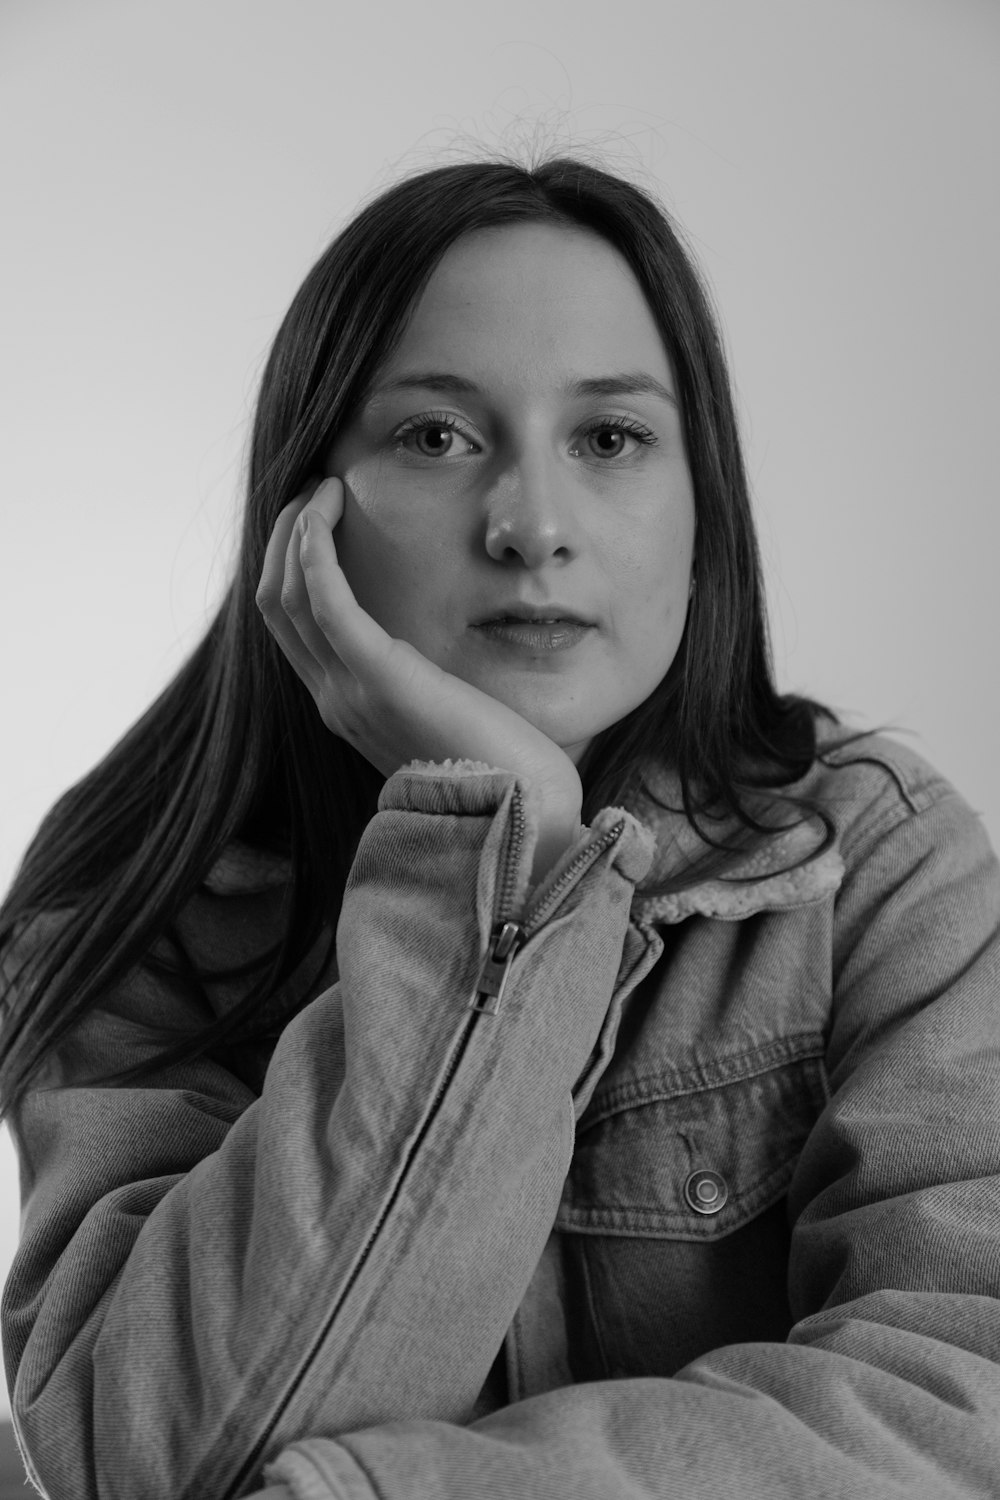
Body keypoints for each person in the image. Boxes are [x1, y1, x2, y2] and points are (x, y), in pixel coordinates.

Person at [1, 152, 998, 1500]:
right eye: (434, 436)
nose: (533, 525)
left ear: (703, 505)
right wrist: (493, 850)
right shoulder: (147, 897)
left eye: (610, 439)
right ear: (304, 508)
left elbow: (960, 1400)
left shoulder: (871, 866)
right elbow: (130, 1466)